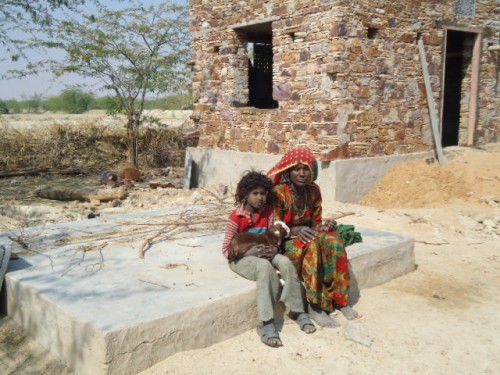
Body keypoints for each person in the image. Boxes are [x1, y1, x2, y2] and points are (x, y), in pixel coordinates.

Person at [267, 147, 361, 327]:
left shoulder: (313, 191)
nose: (302, 173)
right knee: (312, 245)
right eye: (297, 169)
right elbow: (275, 228)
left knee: (335, 239)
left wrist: (324, 226)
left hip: (307, 234)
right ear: (288, 171)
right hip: (285, 243)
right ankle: (315, 306)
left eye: (306, 169)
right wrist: (295, 231)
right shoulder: (279, 193)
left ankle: (341, 300)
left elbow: (315, 222)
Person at [222, 170, 316, 348]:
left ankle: (298, 310)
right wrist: (249, 253)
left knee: (285, 262)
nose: (260, 198)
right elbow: (226, 249)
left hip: (266, 251)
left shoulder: (268, 213)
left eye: (263, 194)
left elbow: (275, 239)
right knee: (264, 267)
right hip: (242, 258)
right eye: (255, 193)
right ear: (245, 194)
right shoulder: (236, 217)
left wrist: (274, 250)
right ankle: (266, 323)